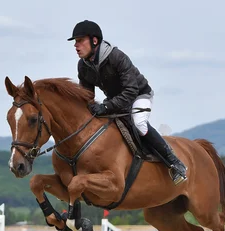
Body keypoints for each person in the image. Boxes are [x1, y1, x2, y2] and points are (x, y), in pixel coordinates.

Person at [68, 20, 187, 185]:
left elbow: (131, 91)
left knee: (139, 124)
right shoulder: (83, 66)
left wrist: (106, 106)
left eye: (80, 40)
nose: (76, 45)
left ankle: (175, 163)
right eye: (75, 42)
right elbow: (87, 96)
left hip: (139, 95)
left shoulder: (116, 57)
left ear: (94, 41)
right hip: (115, 100)